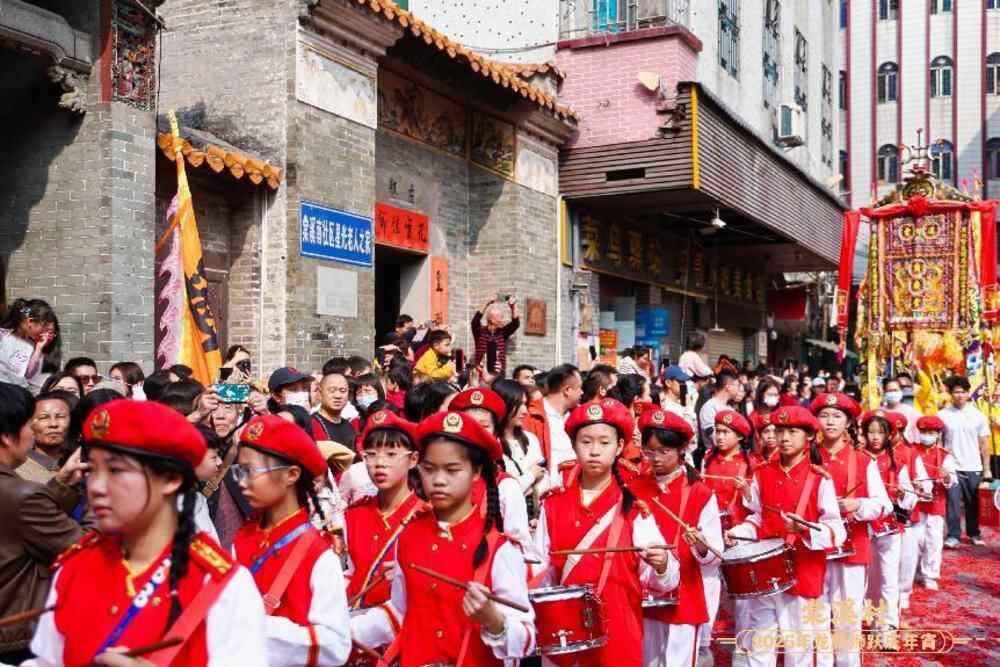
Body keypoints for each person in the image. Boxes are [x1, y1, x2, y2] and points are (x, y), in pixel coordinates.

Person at [27, 399, 266, 666]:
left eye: (116, 470)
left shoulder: (220, 583)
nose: (96, 487)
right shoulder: (75, 565)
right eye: (91, 470)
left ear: (170, 480)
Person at [355, 411, 536, 666]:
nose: (439, 480)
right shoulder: (408, 536)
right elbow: (399, 611)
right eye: (429, 469)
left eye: (452, 470)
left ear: (476, 472)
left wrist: (493, 619)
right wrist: (343, 633)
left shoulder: (499, 547)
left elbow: (527, 640)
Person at [531, 399, 678, 667]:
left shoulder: (634, 507)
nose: (594, 451)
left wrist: (662, 564)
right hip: (565, 638)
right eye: (586, 442)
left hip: (619, 633)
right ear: (574, 444)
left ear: (619, 447)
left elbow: (665, 582)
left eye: (604, 442)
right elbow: (539, 573)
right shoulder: (552, 506)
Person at [724, 405, 846, 667]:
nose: (784, 438)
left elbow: (837, 530)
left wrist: (805, 529)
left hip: (803, 571)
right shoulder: (762, 473)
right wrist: (739, 533)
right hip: (766, 573)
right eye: (779, 431)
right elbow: (758, 518)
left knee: (799, 647)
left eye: (792, 432)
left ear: (809, 436)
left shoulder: (819, 478)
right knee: (760, 643)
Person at [232, 414, 351, 665]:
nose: (242, 482)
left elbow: (335, 645)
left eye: (250, 471)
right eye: (239, 471)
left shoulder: (319, 553)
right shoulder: (242, 537)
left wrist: (255, 626)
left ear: (292, 474)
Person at [0, 383, 86, 664]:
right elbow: (83, 549)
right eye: (30, 424)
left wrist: (61, 485)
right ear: (7, 437)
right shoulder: (22, 495)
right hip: (14, 638)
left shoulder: (19, 493)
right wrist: (99, 497)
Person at [632, 408, 722, 667]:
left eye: (664, 451)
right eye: (650, 451)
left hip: (685, 595)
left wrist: (701, 546)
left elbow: (716, 554)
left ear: (682, 449)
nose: (656, 459)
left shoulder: (700, 493)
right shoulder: (634, 488)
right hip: (643, 595)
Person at [811, 392, 891, 667]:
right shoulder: (807, 456)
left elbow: (883, 504)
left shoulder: (863, 460)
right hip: (815, 548)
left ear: (848, 423)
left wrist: (858, 504)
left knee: (848, 614)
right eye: (824, 415)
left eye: (837, 416)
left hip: (852, 547)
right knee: (816, 613)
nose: (830, 421)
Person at [344, 410, 426, 660]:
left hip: (403, 641)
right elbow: (349, 571)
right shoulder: (353, 514)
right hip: (354, 641)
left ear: (413, 459)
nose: (379, 463)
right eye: (371, 454)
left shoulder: (426, 518)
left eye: (391, 454)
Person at [860, 410, 922, 635]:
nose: (875, 437)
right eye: (871, 432)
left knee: (888, 575)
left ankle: (888, 623)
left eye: (880, 432)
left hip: (889, 526)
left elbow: (911, 496)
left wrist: (903, 494)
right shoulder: (858, 459)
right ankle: (868, 617)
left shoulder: (896, 461)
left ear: (889, 435)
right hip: (863, 527)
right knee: (867, 576)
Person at [448, 388, 533, 551]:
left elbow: (521, 549)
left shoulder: (506, 487)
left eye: (484, 426)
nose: (474, 433)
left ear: (495, 434)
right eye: (467, 424)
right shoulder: (439, 480)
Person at [699, 410, 754, 662]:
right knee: (708, 587)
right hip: (712, 532)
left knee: (742, 597)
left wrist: (747, 492)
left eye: (725, 432)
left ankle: (743, 648)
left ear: (740, 437)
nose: (719, 437)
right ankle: (703, 643)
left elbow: (756, 504)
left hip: (737, 534)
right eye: (717, 432)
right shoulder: (708, 458)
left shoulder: (751, 463)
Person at [936, 375, 990, 548]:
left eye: (963, 392)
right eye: (956, 392)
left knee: (972, 502)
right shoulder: (942, 415)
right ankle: (953, 535)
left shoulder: (978, 416)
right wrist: (940, 464)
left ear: (968, 393)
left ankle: (974, 533)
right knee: (952, 502)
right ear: (951, 394)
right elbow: (938, 442)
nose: (959, 395)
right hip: (951, 466)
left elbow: (984, 443)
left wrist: (987, 468)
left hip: (973, 465)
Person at [909, 415, 956, 592]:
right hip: (915, 503)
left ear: (938, 434)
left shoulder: (944, 455)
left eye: (931, 433)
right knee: (914, 539)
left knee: (933, 540)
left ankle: (930, 574)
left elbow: (953, 480)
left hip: (936, 503)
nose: (927, 436)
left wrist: (947, 476)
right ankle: (912, 571)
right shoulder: (911, 451)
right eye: (924, 432)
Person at [493, 380, 548, 517]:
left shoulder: (531, 439)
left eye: (525, 404)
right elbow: (501, 494)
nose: (524, 411)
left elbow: (543, 478)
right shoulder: (493, 444)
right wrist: (530, 476)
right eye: (518, 405)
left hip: (535, 516)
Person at [524, 364, 582, 480]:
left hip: (574, 486)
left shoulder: (579, 416)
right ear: (567, 390)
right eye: (580, 388)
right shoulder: (531, 417)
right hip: (545, 487)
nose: (582, 392)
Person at [15, 391, 75, 485]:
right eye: (44, 417)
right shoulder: (17, 468)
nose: (53, 424)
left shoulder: (79, 461)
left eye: (60, 416)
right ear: (29, 424)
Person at [0, 299, 59, 391]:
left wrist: (38, 348)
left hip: (17, 391)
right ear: (30, 321)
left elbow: (28, 374)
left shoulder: (31, 345)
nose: (45, 334)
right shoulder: (3, 335)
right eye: (44, 328)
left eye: (50, 332)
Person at [471, 296, 519, 378]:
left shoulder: (503, 332)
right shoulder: (480, 332)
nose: (502, 320)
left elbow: (515, 323)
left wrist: (513, 306)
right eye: (500, 318)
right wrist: (487, 303)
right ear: (492, 320)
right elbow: (475, 320)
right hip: (481, 373)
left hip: (499, 374)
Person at [311, 371, 358, 448]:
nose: (338, 396)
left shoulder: (349, 425)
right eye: (332, 391)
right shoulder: (312, 425)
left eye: (343, 391)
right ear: (320, 393)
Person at [697, 372, 740, 455]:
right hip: (715, 455)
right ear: (728, 387)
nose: (739, 389)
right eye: (737, 386)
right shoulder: (709, 407)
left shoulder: (730, 408)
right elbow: (714, 437)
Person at [881, 377, 921, 444]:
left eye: (895, 390)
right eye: (890, 391)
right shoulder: (879, 412)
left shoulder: (911, 412)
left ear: (901, 391)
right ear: (884, 392)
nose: (893, 393)